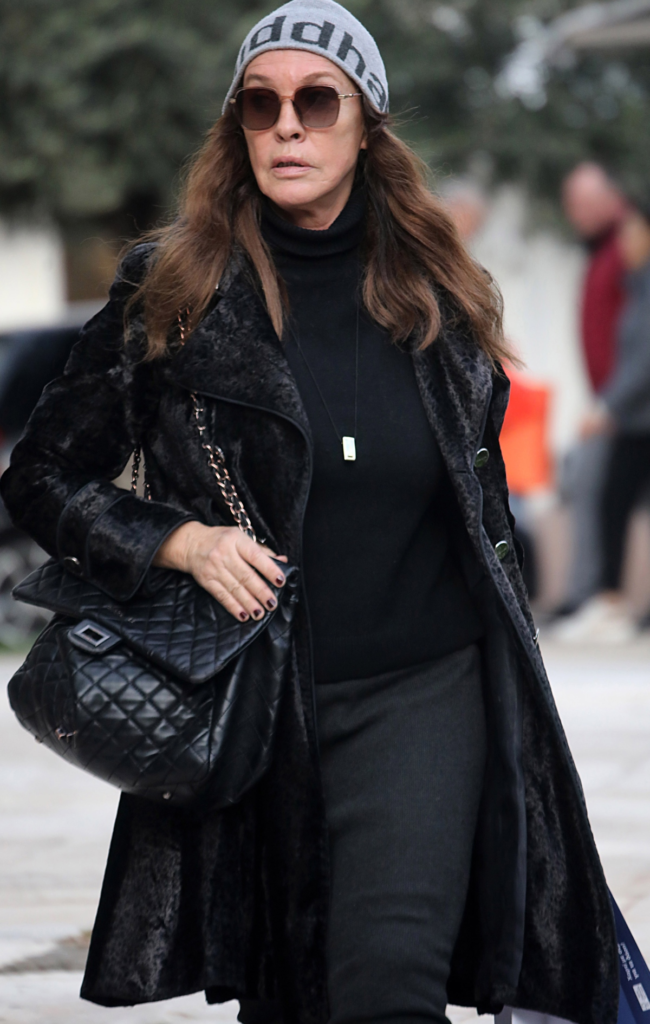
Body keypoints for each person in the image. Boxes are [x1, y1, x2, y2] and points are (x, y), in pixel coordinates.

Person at [0, 3, 617, 1023]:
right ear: (238, 128)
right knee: (291, 999)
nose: (287, 125)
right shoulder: (179, 288)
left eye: (317, 101)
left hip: (426, 690)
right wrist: (178, 541)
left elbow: (479, 510)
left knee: (388, 988)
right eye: (261, 104)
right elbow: (41, 476)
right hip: (253, 704)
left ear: (365, 124)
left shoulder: (438, 289)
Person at [555, 198, 650, 642]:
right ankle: (607, 602)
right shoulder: (636, 286)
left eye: (632, 233)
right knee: (612, 505)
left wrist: (607, 407)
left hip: (636, 422)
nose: (624, 243)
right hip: (633, 421)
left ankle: (609, 603)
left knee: (612, 505)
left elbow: (643, 361)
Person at [557, 162, 627, 615]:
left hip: (624, 404)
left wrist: (613, 402)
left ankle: (591, 595)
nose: (576, 213)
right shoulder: (602, 249)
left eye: (584, 203)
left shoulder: (629, 246)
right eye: (571, 205)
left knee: (588, 481)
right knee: (585, 480)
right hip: (611, 401)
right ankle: (591, 594)